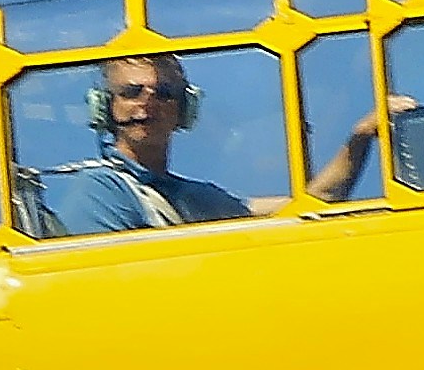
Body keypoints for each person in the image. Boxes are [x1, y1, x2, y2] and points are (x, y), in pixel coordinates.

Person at [21, 54, 262, 236]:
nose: (148, 102)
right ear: (105, 106)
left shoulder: (193, 196)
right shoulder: (102, 189)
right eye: (131, 92)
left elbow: (252, 210)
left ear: (185, 107)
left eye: (164, 93)